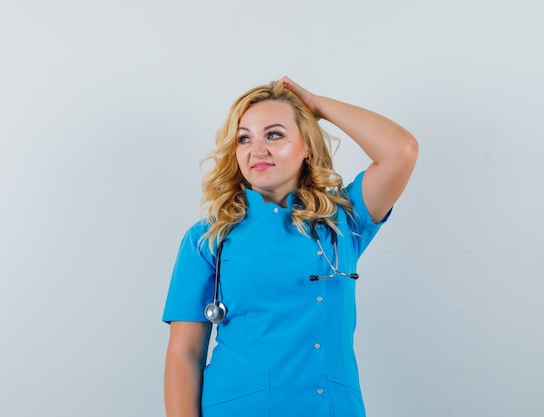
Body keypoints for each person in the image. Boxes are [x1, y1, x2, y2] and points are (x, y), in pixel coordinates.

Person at [162, 76, 418, 417]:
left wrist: (317, 105)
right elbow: (184, 355)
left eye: (274, 134)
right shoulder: (207, 238)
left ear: (307, 146)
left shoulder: (342, 221)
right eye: (244, 139)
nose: (258, 150)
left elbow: (400, 152)